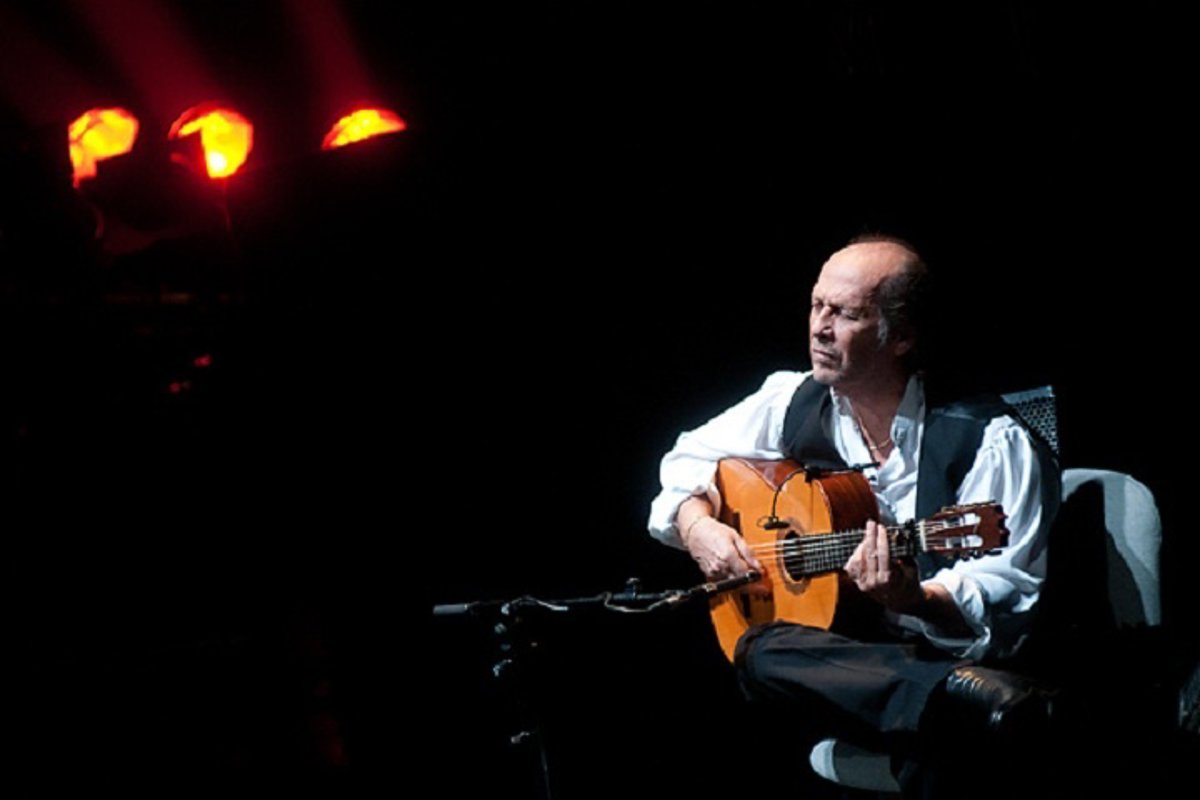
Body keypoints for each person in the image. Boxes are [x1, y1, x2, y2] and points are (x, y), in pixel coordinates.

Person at [647, 234, 1060, 793]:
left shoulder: (986, 437)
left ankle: (950, 702)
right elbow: (685, 459)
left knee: (938, 752)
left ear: (902, 336)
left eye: (845, 314)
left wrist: (915, 598)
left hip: (952, 651)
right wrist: (698, 528)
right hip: (847, 657)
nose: (820, 327)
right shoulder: (791, 399)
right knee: (759, 650)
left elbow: (1009, 589)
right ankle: (949, 697)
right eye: (817, 305)